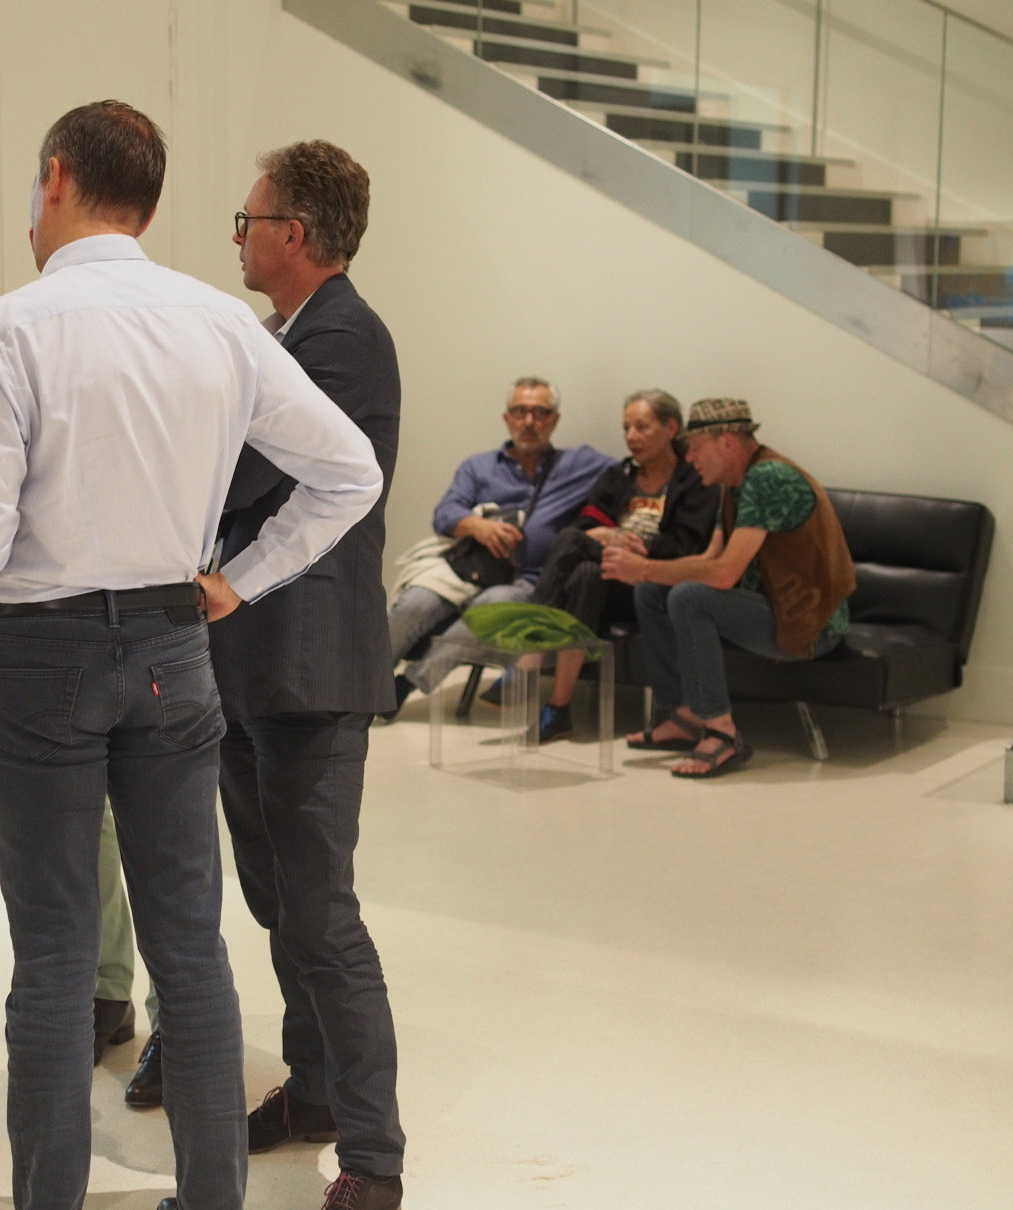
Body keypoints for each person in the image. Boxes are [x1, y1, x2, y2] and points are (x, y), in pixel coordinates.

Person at [0, 101, 383, 1210]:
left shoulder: (8, 327)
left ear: (55, 178)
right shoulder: (220, 322)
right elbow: (350, 473)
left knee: (53, 958)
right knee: (191, 947)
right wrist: (245, 575)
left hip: (40, 652)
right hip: (175, 647)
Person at [199, 140, 405, 1210]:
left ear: (293, 233)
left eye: (247, 220)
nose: (237, 237)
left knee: (320, 911)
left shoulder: (341, 337)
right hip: (253, 656)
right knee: (279, 898)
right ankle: (315, 1087)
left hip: (308, 663)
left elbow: (252, 471)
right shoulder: (292, 333)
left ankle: (373, 1155)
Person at [602, 398, 856, 777]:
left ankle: (722, 732)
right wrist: (647, 574)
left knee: (688, 596)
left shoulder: (769, 478)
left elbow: (723, 575)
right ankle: (686, 716)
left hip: (809, 624)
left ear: (727, 442)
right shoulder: (732, 485)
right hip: (770, 607)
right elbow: (711, 559)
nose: (689, 458)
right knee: (652, 592)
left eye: (696, 447)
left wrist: (646, 568)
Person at [386, 379, 610, 715]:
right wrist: (478, 526)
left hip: (525, 581)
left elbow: (633, 469)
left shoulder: (579, 465)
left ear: (555, 419)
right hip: (466, 570)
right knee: (413, 604)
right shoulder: (479, 467)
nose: (529, 422)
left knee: (490, 607)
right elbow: (444, 513)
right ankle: (361, 683)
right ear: (507, 418)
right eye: (520, 411)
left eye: (540, 412)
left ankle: (407, 684)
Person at [527, 389, 719, 742]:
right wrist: (607, 535)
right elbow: (587, 525)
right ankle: (558, 709)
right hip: (609, 579)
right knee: (586, 572)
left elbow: (688, 544)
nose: (631, 437)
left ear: (671, 427)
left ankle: (528, 642)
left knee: (570, 541)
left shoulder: (694, 477)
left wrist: (636, 545)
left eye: (641, 427)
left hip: (655, 583)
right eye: (626, 428)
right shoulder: (619, 476)